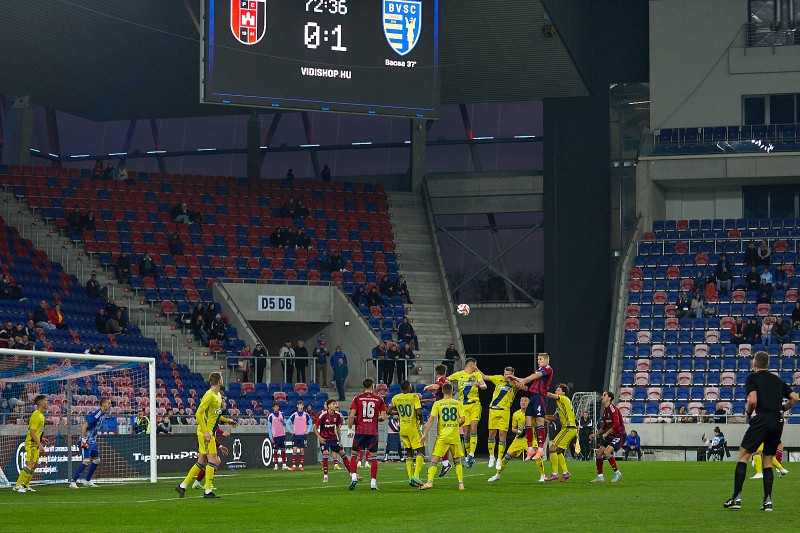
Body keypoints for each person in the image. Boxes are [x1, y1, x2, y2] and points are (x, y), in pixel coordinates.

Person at [723, 351, 798, 511]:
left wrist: (748, 412)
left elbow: (753, 400)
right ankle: (768, 502)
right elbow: (795, 398)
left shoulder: (752, 378)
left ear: (754, 363)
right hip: (777, 421)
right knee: (768, 460)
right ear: (768, 364)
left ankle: (736, 499)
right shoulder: (778, 380)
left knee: (743, 455)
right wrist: (783, 408)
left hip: (762, 418)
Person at [176, 372, 237, 499]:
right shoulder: (209, 395)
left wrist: (228, 420)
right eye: (222, 378)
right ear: (219, 381)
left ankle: (182, 486)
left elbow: (215, 414)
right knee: (213, 460)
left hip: (209, 432)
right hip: (206, 433)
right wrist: (206, 432)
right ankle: (208, 490)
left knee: (201, 461)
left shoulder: (218, 395)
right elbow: (198, 414)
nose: (223, 380)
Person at [419, 382, 466, 491]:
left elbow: (431, 419)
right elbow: (463, 419)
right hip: (454, 436)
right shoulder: (458, 403)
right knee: (457, 461)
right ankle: (460, 484)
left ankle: (429, 482)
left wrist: (425, 434)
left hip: (442, 436)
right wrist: (455, 424)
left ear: (442, 391)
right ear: (452, 391)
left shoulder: (438, 404)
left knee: (434, 461)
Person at [510, 352, 554, 462]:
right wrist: (514, 378)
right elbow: (529, 378)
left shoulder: (548, 369)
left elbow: (535, 377)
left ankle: (540, 450)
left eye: (540, 359)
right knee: (528, 422)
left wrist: (524, 380)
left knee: (539, 422)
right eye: (538, 359)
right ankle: (530, 449)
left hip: (540, 396)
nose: (538, 361)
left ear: (546, 360)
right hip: (533, 396)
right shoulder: (538, 370)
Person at [346, 378, 387, 490]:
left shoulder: (357, 398)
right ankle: (373, 482)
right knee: (373, 458)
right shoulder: (379, 399)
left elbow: (351, 415)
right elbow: (383, 417)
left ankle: (354, 476)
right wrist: (375, 419)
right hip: (372, 431)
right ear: (372, 386)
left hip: (360, 430)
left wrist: (350, 429)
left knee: (354, 454)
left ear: (363, 386)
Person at [447, 358, 487, 468]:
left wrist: (479, 385)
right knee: (465, 432)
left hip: (475, 405)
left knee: (474, 428)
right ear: (471, 365)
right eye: (475, 365)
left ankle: (471, 455)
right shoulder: (459, 374)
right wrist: (446, 384)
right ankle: (468, 455)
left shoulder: (477, 375)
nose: (476, 367)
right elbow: (447, 379)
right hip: (463, 406)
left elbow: (485, 386)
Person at [389, 380, 426, 487]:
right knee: (421, 449)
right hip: (413, 428)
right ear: (409, 387)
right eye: (410, 386)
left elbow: (388, 411)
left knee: (409, 451)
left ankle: (410, 478)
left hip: (403, 429)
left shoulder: (396, 398)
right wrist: (421, 419)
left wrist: (398, 412)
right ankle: (416, 476)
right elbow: (418, 412)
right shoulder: (414, 397)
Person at [70, 397, 112, 488]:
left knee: (96, 460)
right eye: (109, 403)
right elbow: (84, 426)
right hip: (86, 441)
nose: (110, 405)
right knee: (86, 461)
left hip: (93, 441)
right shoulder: (97, 414)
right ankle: (73, 482)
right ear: (103, 404)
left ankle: (87, 481)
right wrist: (83, 440)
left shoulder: (104, 414)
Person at [484, 367, 521, 469]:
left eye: (508, 374)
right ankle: (491, 457)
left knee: (502, 435)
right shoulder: (498, 378)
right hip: (493, 410)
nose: (506, 376)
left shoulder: (514, 384)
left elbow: (525, 388)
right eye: (505, 374)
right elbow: (484, 377)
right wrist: (475, 368)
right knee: (491, 434)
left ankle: (499, 459)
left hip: (505, 411)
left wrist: (514, 380)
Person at [540, 383, 578, 480]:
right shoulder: (560, 404)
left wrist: (540, 390)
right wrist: (541, 417)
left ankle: (555, 473)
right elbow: (553, 417)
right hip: (568, 429)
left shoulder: (564, 399)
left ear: (563, 393)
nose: (556, 391)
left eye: (558, 390)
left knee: (552, 449)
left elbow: (551, 395)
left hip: (569, 428)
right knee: (557, 451)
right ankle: (565, 473)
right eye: (556, 390)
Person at [589, 390, 626, 483]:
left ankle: (617, 472)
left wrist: (606, 433)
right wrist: (596, 434)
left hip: (619, 435)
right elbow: (605, 425)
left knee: (606, 452)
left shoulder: (613, 409)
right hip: (611, 435)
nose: (602, 397)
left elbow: (616, 424)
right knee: (598, 453)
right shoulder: (605, 410)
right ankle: (600, 477)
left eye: (604, 395)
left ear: (609, 398)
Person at [14, 395, 49, 492]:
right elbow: (32, 432)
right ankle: (17, 486)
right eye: (45, 401)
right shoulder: (36, 414)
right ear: (40, 403)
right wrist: (40, 444)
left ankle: (25, 485)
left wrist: (42, 438)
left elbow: (36, 431)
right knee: (30, 464)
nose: (47, 403)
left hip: (35, 443)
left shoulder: (41, 415)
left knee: (34, 465)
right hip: (32, 443)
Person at [314, 399, 351, 483]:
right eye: (333, 404)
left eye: (335, 404)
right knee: (325, 454)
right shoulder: (323, 415)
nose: (335, 405)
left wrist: (340, 440)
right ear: (328, 406)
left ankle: (352, 474)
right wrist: (320, 438)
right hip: (325, 439)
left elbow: (337, 427)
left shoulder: (337, 415)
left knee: (343, 454)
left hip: (333, 439)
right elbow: (314, 428)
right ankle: (325, 476)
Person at [288, 401, 313, 471]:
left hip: (303, 435)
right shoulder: (294, 415)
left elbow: (310, 423)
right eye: (300, 405)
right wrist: (291, 431)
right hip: (295, 435)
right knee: (294, 449)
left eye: (302, 405)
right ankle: (293, 465)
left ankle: (301, 465)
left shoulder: (306, 415)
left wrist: (308, 430)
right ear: (297, 406)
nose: (301, 406)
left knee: (302, 450)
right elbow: (287, 422)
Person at [268, 403, 290, 471]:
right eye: (275, 407)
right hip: (275, 435)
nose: (276, 408)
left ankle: (284, 465)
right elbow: (269, 427)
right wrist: (271, 437)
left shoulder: (282, 414)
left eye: (277, 406)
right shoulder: (271, 416)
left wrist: (283, 421)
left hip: (282, 434)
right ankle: (276, 465)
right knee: (275, 450)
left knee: (283, 449)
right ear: (273, 408)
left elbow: (286, 423)